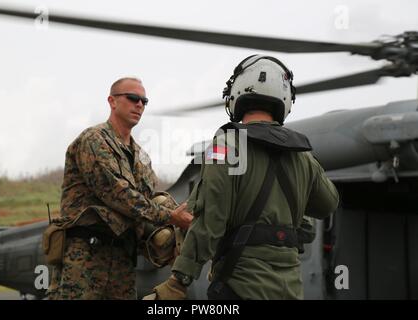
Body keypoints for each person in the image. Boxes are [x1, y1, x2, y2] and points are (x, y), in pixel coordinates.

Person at [146, 55, 339, 300]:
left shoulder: (224, 147)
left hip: (240, 287)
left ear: (237, 92)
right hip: (290, 289)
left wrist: (179, 280)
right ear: (285, 99)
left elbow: (210, 222)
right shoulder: (303, 157)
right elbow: (328, 204)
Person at [46, 77, 192, 300]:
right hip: (86, 255)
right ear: (112, 101)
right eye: (133, 98)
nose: (139, 105)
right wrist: (171, 216)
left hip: (123, 259)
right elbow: (118, 194)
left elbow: (149, 200)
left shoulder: (140, 156)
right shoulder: (94, 140)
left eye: (144, 101)